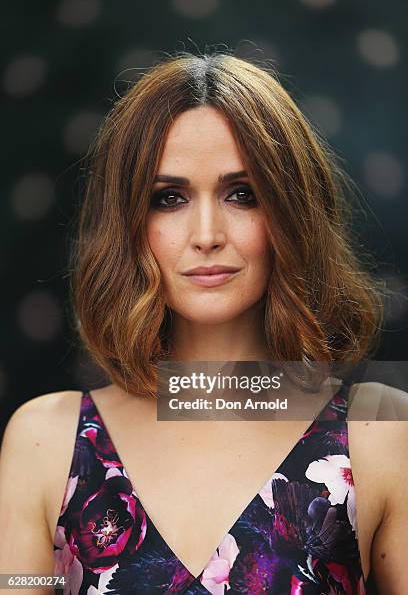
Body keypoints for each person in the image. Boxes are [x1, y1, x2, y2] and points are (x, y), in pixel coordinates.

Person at [0, 51, 407, 595]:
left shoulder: (380, 433)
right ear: (129, 224)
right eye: (169, 198)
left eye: (242, 194)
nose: (207, 233)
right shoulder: (45, 442)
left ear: (290, 210)